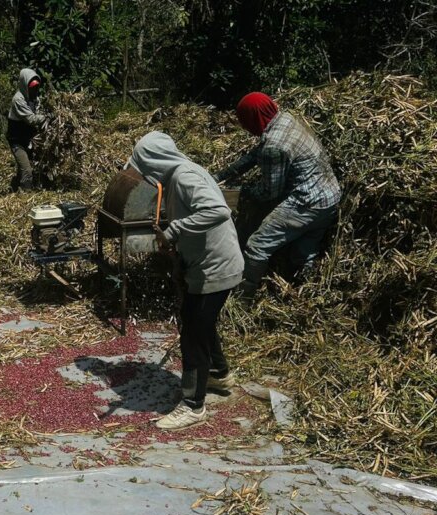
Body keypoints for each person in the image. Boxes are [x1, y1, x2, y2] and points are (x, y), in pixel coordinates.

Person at [129, 131, 244, 430]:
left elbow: (218, 211)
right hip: (207, 264)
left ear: (154, 162)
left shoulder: (184, 177)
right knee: (198, 320)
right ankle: (218, 374)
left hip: (216, 268)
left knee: (193, 331)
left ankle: (193, 405)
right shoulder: (180, 174)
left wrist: (174, 230)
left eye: (144, 167)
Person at [215, 92, 341, 295]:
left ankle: (243, 297)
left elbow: (269, 193)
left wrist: (240, 194)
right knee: (304, 251)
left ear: (252, 119)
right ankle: (306, 293)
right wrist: (220, 175)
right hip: (329, 197)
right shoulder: (285, 119)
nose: (245, 127)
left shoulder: (274, 146)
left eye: (244, 122)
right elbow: (255, 155)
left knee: (256, 247)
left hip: (306, 203)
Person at [6, 68, 48, 191]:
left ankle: (14, 189)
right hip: (17, 141)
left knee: (25, 168)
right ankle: (25, 195)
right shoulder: (18, 100)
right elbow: (31, 119)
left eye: (36, 87)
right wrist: (45, 117)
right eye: (32, 87)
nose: (35, 90)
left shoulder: (34, 99)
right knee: (27, 170)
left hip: (27, 139)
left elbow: (38, 112)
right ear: (25, 85)